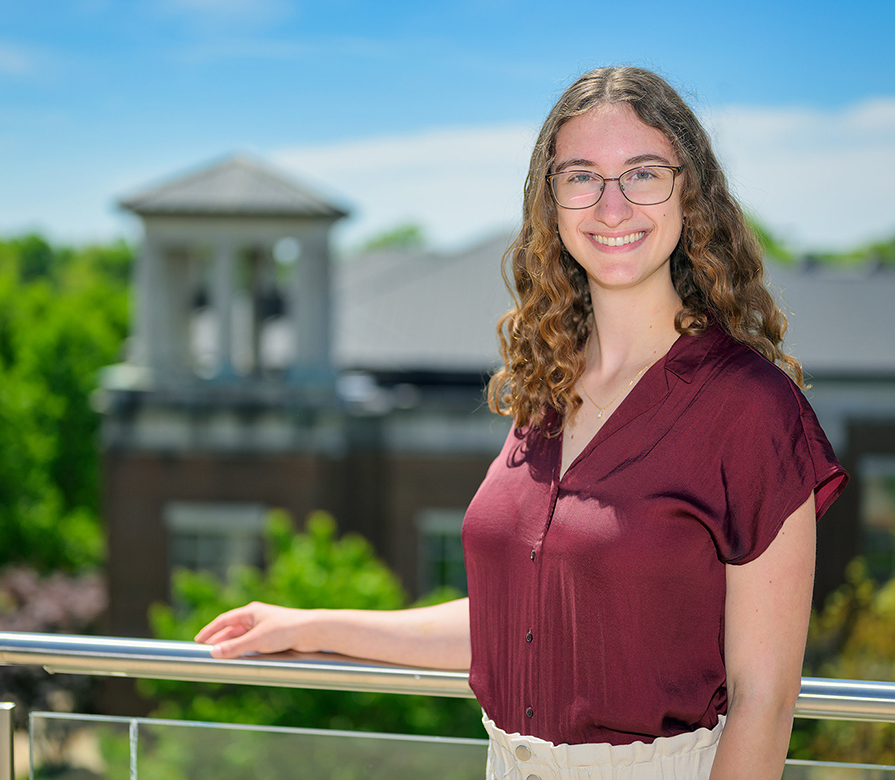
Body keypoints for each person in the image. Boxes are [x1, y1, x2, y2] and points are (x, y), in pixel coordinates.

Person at [196, 65, 848, 780]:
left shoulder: (751, 408)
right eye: (581, 177)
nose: (611, 205)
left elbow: (766, 699)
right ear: (551, 201)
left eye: (642, 174)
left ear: (689, 190)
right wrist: (313, 626)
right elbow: (513, 623)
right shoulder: (547, 391)